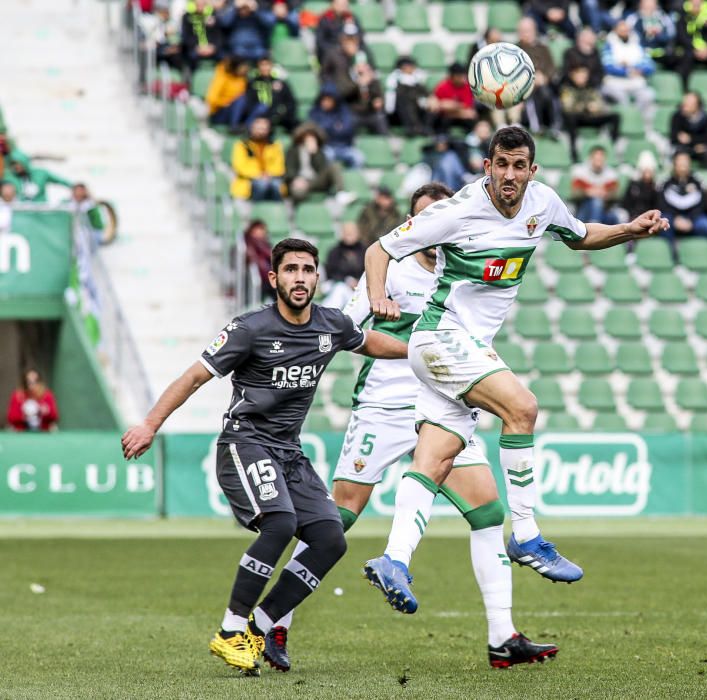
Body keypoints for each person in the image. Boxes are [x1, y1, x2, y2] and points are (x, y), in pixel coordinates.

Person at [359, 126, 668, 615]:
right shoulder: (457, 210)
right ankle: (525, 535)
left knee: (435, 459)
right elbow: (379, 250)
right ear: (487, 166)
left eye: (518, 165)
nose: (508, 174)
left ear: (531, 170)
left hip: (463, 350)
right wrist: (378, 294)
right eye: (500, 164)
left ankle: (395, 559)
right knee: (522, 407)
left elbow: (582, 236)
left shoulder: (541, 204)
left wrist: (631, 228)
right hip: (439, 338)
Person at [263, 184, 560, 670]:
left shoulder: (464, 271)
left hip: (443, 404)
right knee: (338, 518)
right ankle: (276, 621)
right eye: (421, 220)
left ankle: (502, 636)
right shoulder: (393, 271)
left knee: (487, 512)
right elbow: (345, 331)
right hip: (384, 404)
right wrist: (410, 348)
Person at [120, 238, 407, 674]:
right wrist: (149, 425)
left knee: (331, 539)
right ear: (274, 278)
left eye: (307, 270)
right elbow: (194, 376)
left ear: (317, 277)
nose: (300, 278)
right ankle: (230, 630)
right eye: (290, 270)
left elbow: (369, 342)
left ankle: (263, 623)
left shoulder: (332, 324)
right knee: (280, 523)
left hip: (289, 451)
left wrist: (421, 354)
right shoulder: (249, 328)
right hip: (244, 442)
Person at [560, 65, 620, 163]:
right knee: (570, 118)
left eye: (585, 75)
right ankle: (573, 150)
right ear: (573, 75)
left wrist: (596, 107)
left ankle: (612, 145)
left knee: (615, 117)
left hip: (592, 117)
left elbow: (600, 103)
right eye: (580, 75)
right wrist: (585, 107)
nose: (583, 77)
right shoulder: (567, 88)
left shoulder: (591, 88)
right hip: (578, 119)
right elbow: (567, 107)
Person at [660, 151, 707, 249]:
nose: (683, 165)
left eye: (685, 161)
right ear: (674, 164)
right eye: (680, 162)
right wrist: (677, 218)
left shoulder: (698, 181)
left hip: (693, 217)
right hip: (673, 217)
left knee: (706, 225)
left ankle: (696, 250)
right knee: (663, 223)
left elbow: (702, 203)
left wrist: (690, 219)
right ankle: (672, 252)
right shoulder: (666, 182)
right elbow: (661, 204)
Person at [601, 20, 656, 115]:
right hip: (615, 82)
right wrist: (627, 72)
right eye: (621, 29)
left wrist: (638, 70)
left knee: (648, 95)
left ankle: (641, 125)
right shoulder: (609, 45)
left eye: (626, 29)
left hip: (635, 82)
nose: (625, 32)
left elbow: (650, 65)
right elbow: (607, 66)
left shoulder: (637, 45)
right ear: (615, 30)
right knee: (621, 99)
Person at [516, 17, 560, 134]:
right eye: (523, 31)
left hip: (544, 85)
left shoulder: (543, 48)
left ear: (534, 31)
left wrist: (545, 77)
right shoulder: (515, 50)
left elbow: (551, 68)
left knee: (548, 92)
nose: (526, 34)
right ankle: (536, 127)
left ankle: (554, 125)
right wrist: (532, 78)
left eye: (528, 30)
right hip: (524, 88)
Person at [307, 84, 364, 169]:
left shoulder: (343, 110)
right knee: (326, 157)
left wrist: (329, 128)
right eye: (324, 99)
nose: (326, 102)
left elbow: (348, 129)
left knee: (359, 158)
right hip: (326, 147)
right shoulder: (315, 111)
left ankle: (350, 180)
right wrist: (335, 126)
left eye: (329, 99)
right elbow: (317, 131)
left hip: (345, 146)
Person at [284, 122, 343, 205]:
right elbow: (289, 168)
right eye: (307, 136)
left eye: (312, 137)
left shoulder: (319, 152)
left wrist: (315, 154)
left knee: (335, 166)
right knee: (298, 193)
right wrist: (296, 179)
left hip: (314, 181)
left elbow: (321, 170)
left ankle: (341, 193)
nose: (310, 139)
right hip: (298, 181)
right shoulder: (293, 151)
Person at [230, 117, 286, 201]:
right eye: (258, 128)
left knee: (276, 185)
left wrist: (268, 174)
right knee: (261, 185)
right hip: (249, 181)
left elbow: (279, 166)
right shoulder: (242, 145)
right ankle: (256, 210)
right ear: (252, 128)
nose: (261, 132)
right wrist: (258, 175)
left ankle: (277, 211)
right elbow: (239, 166)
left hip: (270, 178)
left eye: (264, 129)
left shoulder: (275, 145)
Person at [320, 24, 374, 105]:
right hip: (340, 98)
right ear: (342, 38)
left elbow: (371, 73)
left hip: (360, 99)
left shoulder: (363, 54)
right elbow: (324, 75)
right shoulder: (333, 54)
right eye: (348, 38)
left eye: (353, 38)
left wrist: (367, 76)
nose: (351, 42)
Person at [242, 56, 298, 132]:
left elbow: (291, 102)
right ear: (258, 67)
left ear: (272, 66)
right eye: (262, 65)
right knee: (262, 108)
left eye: (267, 65)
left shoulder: (280, 83)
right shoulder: (252, 83)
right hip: (258, 118)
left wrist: (282, 112)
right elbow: (248, 103)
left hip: (277, 117)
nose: (265, 68)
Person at [570, 146, 621, 224]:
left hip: (605, 210)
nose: (598, 162)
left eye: (601, 159)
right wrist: (587, 192)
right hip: (584, 210)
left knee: (615, 217)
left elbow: (616, 195)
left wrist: (605, 194)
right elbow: (574, 194)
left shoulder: (611, 174)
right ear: (590, 158)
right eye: (596, 159)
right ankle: (595, 227)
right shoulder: (580, 172)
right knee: (596, 201)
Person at [321, 221, 366, 309]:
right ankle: (326, 314)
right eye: (346, 232)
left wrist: (358, 283)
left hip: (360, 289)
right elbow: (331, 273)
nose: (348, 234)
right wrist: (347, 281)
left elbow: (368, 272)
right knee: (340, 289)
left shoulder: (365, 251)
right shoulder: (334, 251)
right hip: (338, 285)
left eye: (351, 232)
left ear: (358, 233)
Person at [384, 56, 430, 136]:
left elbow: (426, 95)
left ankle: (421, 127)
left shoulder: (417, 79)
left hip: (417, 111)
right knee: (404, 99)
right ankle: (412, 127)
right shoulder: (394, 79)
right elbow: (390, 101)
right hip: (398, 114)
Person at [428, 62, 478, 134]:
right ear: (452, 76)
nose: (463, 78)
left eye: (463, 76)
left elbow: (469, 111)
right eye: (459, 76)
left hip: (461, 120)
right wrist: (458, 108)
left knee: (471, 121)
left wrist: (449, 106)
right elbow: (436, 106)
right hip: (446, 119)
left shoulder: (467, 86)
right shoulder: (443, 86)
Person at [6, 151, 71, 203]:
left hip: (40, 211)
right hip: (22, 214)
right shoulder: (11, 177)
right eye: (13, 164)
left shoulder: (41, 173)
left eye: (18, 163)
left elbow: (62, 181)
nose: (16, 166)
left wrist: (75, 188)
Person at [670, 92, 707, 166]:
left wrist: (690, 139)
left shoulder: (705, 118)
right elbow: (674, 138)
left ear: (697, 105)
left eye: (689, 104)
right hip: (683, 148)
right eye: (685, 103)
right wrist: (694, 143)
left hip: (699, 148)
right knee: (679, 154)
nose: (685, 106)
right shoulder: (677, 116)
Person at [625, 0, 676, 64]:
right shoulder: (632, 18)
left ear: (656, 4)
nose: (649, 6)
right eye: (646, 3)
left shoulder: (664, 17)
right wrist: (644, 33)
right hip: (640, 53)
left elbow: (671, 36)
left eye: (651, 3)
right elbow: (628, 37)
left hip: (661, 54)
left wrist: (658, 34)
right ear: (640, 4)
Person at [180, 0, 223, 75]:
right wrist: (198, 47)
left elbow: (219, 35)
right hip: (194, 48)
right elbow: (186, 37)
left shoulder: (213, 16)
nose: (201, 3)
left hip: (211, 48)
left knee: (223, 57)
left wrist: (213, 47)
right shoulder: (187, 17)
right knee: (189, 57)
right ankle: (191, 81)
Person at [206, 57, 250, 126]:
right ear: (236, 67)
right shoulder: (222, 77)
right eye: (243, 67)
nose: (246, 69)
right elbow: (211, 98)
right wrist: (224, 103)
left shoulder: (242, 78)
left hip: (235, 109)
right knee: (241, 99)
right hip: (219, 113)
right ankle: (234, 126)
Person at [243, 219, 276, 303]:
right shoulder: (246, 245)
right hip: (252, 279)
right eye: (257, 229)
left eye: (262, 229)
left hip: (267, 279)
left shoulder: (267, 245)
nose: (260, 232)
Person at [621, 151, 660, 221]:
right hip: (633, 217)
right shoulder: (633, 185)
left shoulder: (655, 188)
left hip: (649, 218)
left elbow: (657, 206)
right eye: (645, 171)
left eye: (649, 171)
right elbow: (625, 203)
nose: (647, 174)